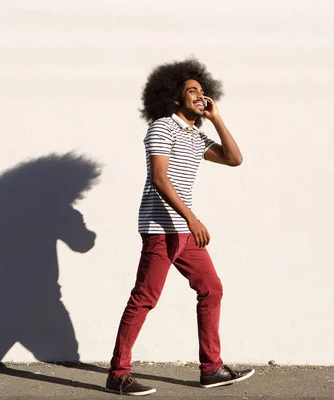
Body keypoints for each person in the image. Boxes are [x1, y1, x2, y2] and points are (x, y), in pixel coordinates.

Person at [106, 58, 254, 396]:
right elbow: (160, 178)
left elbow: (235, 159)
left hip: (184, 232)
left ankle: (211, 369)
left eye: (203, 91)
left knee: (211, 288)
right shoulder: (162, 127)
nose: (200, 96)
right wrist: (192, 218)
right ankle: (118, 374)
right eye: (192, 91)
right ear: (175, 98)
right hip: (162, 228)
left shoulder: (196, 136)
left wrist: (215, 118)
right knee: (144, 298)